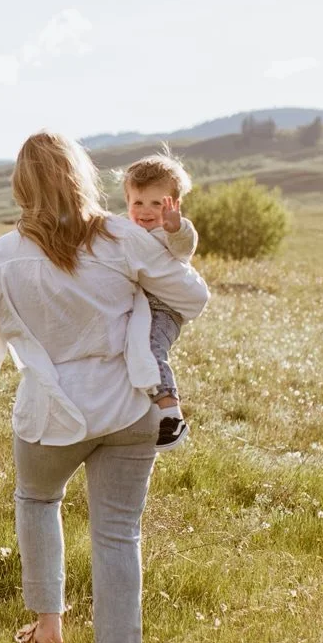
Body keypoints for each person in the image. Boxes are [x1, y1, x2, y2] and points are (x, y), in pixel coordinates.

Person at [0, 132, 211, 643]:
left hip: (51, 413)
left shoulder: (1, 258)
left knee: (38, 502)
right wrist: (142, 309)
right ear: (82, 178)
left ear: (21, 188)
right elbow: (193, 298)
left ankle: (48, 626)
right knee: (118, 532)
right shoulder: (121, 236)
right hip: (130, 407)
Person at [120, 152, 199, 447]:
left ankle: (172, 415)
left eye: (157, 203)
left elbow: (184, 247)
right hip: (140, 305)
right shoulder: (127, 231)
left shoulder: (172, 231)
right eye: (137, 202)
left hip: (165, 307)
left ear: (174, 205)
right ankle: (141, 407)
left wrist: (175, 227)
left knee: (152, 349)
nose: (146, 211)